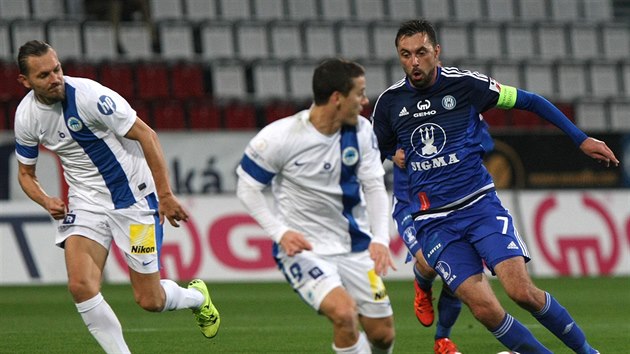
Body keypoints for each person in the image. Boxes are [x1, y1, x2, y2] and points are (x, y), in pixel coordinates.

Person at [371, 19, 619, 353]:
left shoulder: (467, 86)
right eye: (405, 55)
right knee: (486, 310)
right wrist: (393, 153)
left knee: (521, 292)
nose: (414, 62)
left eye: (421, 52)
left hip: (479, 206)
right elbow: (376, 148)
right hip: (434, 222)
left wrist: (580, 138)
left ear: (436, 51)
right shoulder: (389, 104)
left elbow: (529, 101)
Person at [13, 40, 220, 353]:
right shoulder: (27, 116)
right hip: (86, 203)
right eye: (44, 75)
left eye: (57, 69)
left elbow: (146, 135)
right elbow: (26, 174)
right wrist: (45, 200)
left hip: (134, 201)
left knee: (150, 301)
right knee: (80, 286)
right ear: (25, 81)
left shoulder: (90, 96)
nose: (55, 78)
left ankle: (197, 298)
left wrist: (164, 195)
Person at [236, 58, 396, 354]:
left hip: (356, 247)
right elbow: (247, 187)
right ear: (337, 98)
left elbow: (374, 186)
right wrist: (280, 232)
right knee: (345, 315)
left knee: (383, 334)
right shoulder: (280, 137)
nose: (365, 101)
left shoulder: (362, 131)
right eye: (359, 93)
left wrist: (380, 238)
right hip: (305, 251)